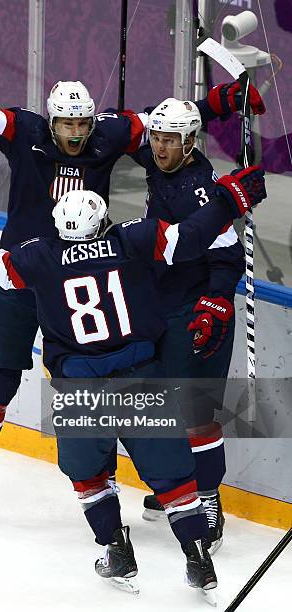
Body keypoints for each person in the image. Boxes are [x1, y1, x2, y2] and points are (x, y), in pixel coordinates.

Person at [0, 29, 266, 518]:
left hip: (83, 279)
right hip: (26, 269)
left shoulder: (108, 133)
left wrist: (221, 102)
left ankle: (108, 490)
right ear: (50, 121)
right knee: (0, 376)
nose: (76, 134)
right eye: (67, 125)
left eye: (82, 125)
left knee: (95, 388)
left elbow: (167, 126)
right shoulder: (23, 129)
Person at [0, 169, 265, 596]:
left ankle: (117, 549)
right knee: (175, 479)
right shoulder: (131, 240)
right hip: (140, 379)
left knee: (90, 477)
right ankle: (198, 559)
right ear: (101, 222)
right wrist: (229, 201)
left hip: (80, 389)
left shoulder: (40, 257)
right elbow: (191, 237)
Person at [132, 99, 246, 553]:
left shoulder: (201, 192)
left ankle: (209, 497)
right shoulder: (161, 159)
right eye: (156, 137)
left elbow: (229, 257)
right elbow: (138, 123)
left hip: (197, 311)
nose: (159, 147)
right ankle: (182, 484)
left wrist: (215, 303)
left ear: (189, 142)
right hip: (161, 304)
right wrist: (220, 99)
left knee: (197, 412)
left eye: (168, 140)